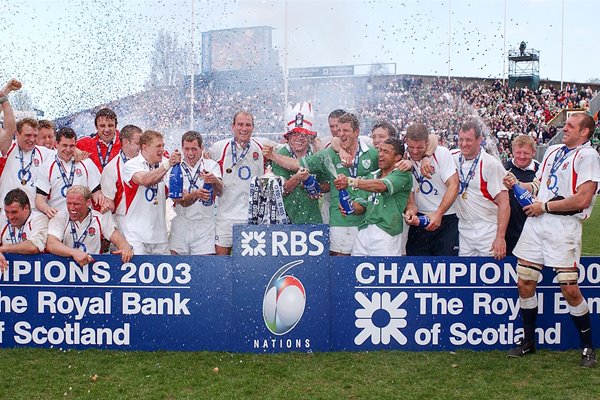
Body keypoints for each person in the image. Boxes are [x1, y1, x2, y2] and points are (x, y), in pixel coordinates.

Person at [507, 112, 599, 367]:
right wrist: (517, 185)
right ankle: (528, 342)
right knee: (524, 282)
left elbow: (582, 199)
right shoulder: (554, 150)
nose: (564, 127)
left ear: (584, 132)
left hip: (563, 226)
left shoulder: (588, 156)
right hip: (537, 224)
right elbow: (538, 185)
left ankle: (588, 348)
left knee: (569, 289)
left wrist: (544, 206)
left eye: (570, 125)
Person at [266, 112, 379, 255]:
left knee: (365, 263)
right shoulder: (328, 153)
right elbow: (296, 164)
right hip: (339, 219)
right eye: (339, 131)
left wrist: (404, 162)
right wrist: (272, 156)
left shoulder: (371, 151)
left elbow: (388, 169)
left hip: (367, 218)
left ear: (356, 132)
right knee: (339, 262)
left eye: (346, 130)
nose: (341, 134)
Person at [209, 111, 274, 255]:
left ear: (253, 128)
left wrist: (316, 141)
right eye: (240, 124)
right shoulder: (218, 148)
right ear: (232, 127)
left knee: (250, 264)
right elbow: (201, 157)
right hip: (225, 216)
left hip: (252, 217)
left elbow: (288, 146)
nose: (243, 128)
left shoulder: (262, 145)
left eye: (248, 125)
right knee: (221, 263)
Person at [344, 138, 412, 256]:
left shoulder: (403, 174)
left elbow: (381, 186)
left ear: (397, 157)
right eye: (380, 150)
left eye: (386, 152)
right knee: (355, 270)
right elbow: (362, 205)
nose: (380, 154)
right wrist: (349, 206)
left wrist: (351, 181)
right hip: (364, 230)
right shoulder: (372, 175)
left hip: (386, 232)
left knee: (384, 272)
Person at [451, 121, 509, 259]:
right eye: (461, 139)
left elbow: (504, 203)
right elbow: (432, 144)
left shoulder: (491, 164)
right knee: (465, 276)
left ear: (479, 140)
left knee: (489, 275)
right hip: (464, 227)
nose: (464, 144)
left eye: (469, 140)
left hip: (487, 227)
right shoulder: (453, 157)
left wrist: (500, 237)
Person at [403, 123, 460, 256]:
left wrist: (439, 213)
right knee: (416, 266)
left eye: (420, 148)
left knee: (445, 267)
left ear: (427, 143)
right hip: (420, 219)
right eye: (411, 147)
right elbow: (409, 193)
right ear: (406, 141)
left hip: (446, 217)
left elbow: (454, 185)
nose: (415, 151)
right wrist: (410, 211)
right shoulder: (404, 157)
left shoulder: (441, 153)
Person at [122, 130, 181, 255]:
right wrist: (167, 165)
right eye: (158, 146)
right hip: (136, 235)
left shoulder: (165, 163)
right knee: (137, 274)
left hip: (160, 236)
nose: (162, 149)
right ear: (145, 147)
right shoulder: (131, 165)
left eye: (163, 145)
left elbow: (173, 191)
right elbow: (145, 180)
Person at [46, 186, 133, 266]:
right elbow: (51, 244)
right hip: (65, 267)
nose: (72, 208)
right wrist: (74, 253)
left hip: (93, 268)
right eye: (69, 203)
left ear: (88, 202)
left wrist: (125, 248)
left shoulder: (100, 218)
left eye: (76, 204)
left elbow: (120, 240)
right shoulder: (60, 216)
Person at [169, 131, 222, 255]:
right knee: (177, 266)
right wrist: (196, 194)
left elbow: (220, 191)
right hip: (181, 223)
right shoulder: (175, 167)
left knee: (204, 268)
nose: (190, 153)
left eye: (194, 149)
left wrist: (214, 181)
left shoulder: (211, 165)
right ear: (182, 148)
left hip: (204, 224)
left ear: (202, 148)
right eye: (186, 149)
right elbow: (178, 201)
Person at [271, 102, 324, 224]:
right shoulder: (280, 155)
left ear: (310, 138)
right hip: (286, 220)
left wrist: (315, 187)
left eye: (303, 134)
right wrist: (298, 178)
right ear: (288, 137)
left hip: (314, 219)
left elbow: (326, 184)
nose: (299, 138)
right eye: (295, 134)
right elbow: (282, 191)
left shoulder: (317, 154)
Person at [35, 127, 106, 218]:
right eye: (64, 145)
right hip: (58, 217)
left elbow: (96, 193)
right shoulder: (47, 166)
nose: (68, 150)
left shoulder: (86, 163)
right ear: (56, 144)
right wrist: (46, 209)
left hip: (82, 217)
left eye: (72, 146)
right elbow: (40, 199)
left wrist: (101, 200)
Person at [0, 117, 55, 212]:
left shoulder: (45, 153)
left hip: (33, 213)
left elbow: (65, 151)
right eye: (28, 135)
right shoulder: (8, 148)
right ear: (17, 134)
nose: (32, 139)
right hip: (7, 211)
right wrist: (4, 103)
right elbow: (8, 129)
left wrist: (76, 152)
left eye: (35, 135)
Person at [502, 134, 540, 256]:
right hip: (507, 230)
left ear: (533, 152)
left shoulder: (540, 170)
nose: (522, 157)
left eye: (526, 153)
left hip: (532, 230)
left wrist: (516, 184)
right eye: (518, 153)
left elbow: (538, 188)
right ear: (512, 151)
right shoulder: (503, 168)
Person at [100, 124, 142, 234]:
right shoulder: (111, 168)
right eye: (137, 143)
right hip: (124, 222)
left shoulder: (147, 162)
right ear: (125, 142)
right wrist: (110, 233)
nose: (141, 147)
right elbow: (108, 204)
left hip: (145, 219)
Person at [0, 188, 48, 254]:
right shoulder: (2, 216)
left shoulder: (39, 219)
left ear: (26, 208)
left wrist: (3, 248)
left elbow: (34, 247)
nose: (10, 217)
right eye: (7, 212)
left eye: (14, 212)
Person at [76, 107, 120, 172]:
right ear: (96, 127)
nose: (107, 130)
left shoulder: (125, 141)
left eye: (110, 125)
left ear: (115, 126)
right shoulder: (86, 142)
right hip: (95, 181)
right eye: (102, 126)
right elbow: (59, 145)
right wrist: (74, 154)